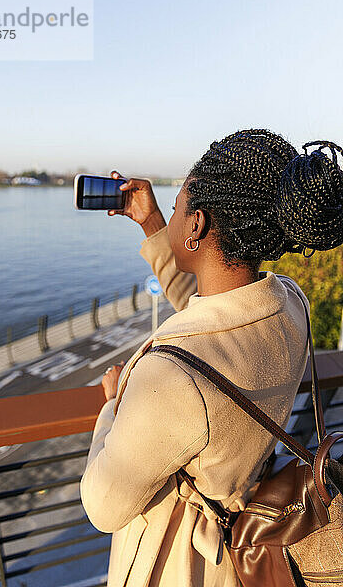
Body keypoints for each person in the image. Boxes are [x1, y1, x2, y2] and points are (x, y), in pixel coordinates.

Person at [80, 128, 343, 587]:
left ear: (197, 225)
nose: (176, 215)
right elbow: (215, 318)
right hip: (244, 539)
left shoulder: (173, 376)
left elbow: (102, 506)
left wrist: (113, 405)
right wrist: (154, 224)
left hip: (185, 564)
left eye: (179, 207)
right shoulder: (289, 303)